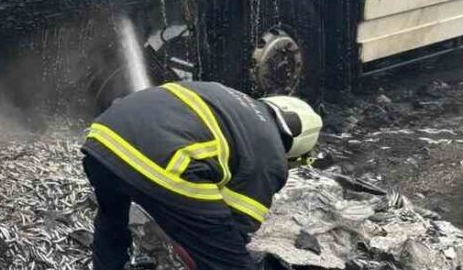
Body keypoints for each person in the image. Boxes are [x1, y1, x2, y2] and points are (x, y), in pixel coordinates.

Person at [82, 81, 323, 270]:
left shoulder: (226, 96)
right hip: (166, 164)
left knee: (111, 218)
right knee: (230, 261)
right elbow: (233, 227)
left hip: (103, 140)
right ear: (294, 147)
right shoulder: (271, 155)